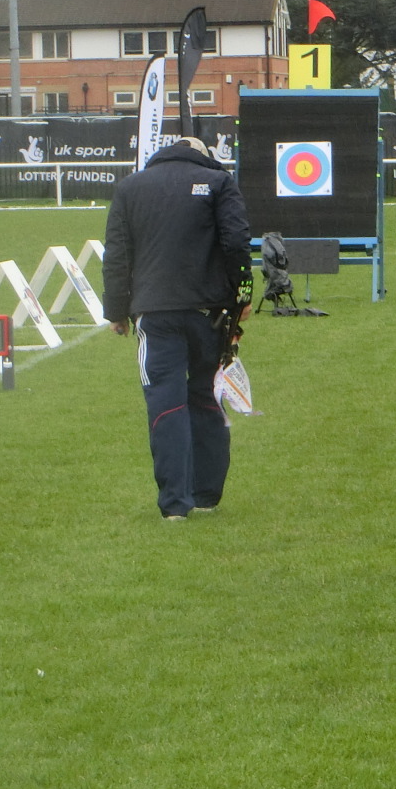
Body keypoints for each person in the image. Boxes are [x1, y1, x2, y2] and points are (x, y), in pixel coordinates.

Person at [102, 134, 252, 520]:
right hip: (209, 312)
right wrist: (242, 297)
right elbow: (237, 243)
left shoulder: (130, 187)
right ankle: (206, 495)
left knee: (165, 404)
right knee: (206, 397)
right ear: (204, 156)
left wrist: (116, 310)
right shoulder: (219, 182)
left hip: (154, 313)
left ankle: (174, 505)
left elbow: (117, 255)